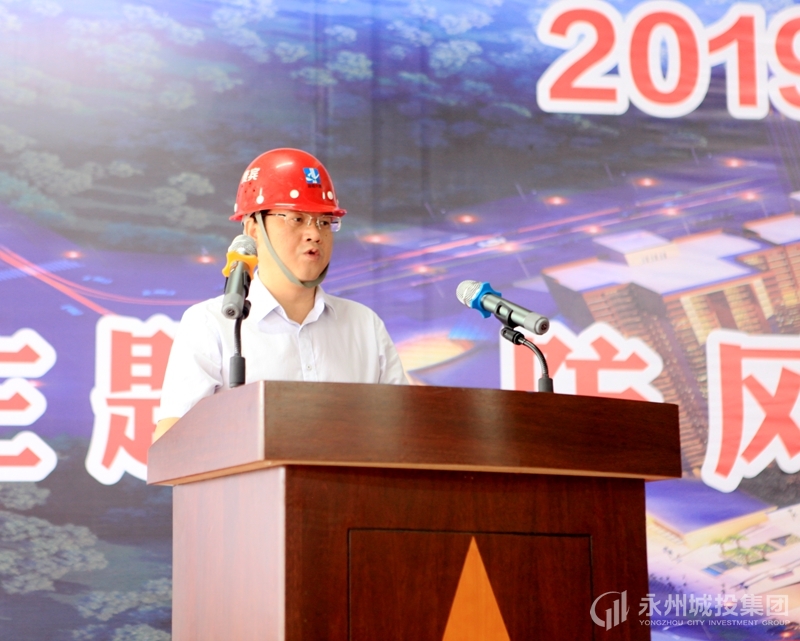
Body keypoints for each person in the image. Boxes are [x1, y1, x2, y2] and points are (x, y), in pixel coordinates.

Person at [154, 148, 407, 440]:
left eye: (324, 222)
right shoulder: (212, 323)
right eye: (296, 219)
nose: (315, 234)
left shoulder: (365, 325)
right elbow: (171, 442)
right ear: (253, 229)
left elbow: (404, 430)